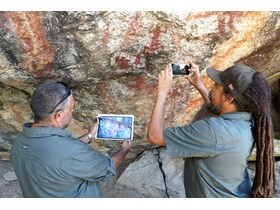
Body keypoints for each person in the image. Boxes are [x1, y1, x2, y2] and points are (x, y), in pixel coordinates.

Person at [147, 61, 276, 198]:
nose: (212, 89)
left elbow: (154, 136)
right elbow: (219, 119)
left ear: (229, 98)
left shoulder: (213, 131)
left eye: (216, 86)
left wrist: (162, 92)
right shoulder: (251, 122)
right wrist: (199, 85)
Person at [11, 82, 132, 198]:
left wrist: (89, 136)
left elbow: (60, 154)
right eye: (71, 109)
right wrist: (124, 149)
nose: (72, 113)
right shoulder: (74, 152)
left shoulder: (19, 142)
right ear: (59, 115)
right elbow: (108, 168)